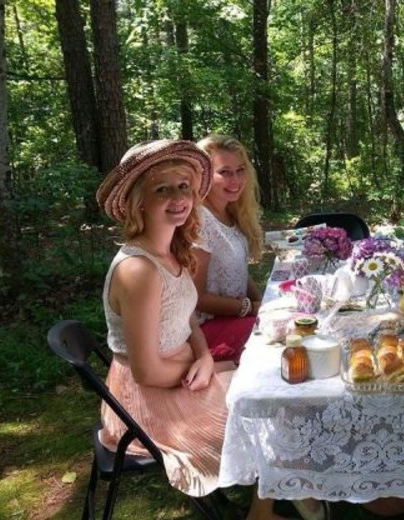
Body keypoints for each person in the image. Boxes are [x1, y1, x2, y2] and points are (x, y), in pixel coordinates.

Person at [95, 140, 231, 498]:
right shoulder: (139, 270)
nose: (179, 196)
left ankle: (283, 492)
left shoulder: (171, 253)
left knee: (260, 385)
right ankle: (269, 506)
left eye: (184, 186)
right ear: (139, 201)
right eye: (162, 189)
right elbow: (147, 372)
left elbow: (187, 320)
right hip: (149, 401)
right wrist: (201, 371)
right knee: (256, 407)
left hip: (184, 373)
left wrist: (204, 358)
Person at [194, 135, 265, 365]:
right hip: (205, 333)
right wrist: (249, 308)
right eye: (224, 172)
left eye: (240, 170)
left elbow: (239, 272)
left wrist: (262, 302)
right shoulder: (200, 220)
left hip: (233, 318)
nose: (235, 180)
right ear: (203, 176)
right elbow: (196, 298)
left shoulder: (230, 212)